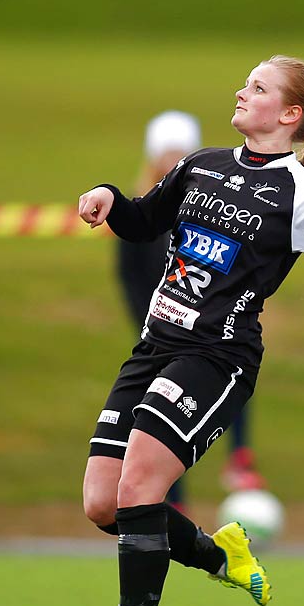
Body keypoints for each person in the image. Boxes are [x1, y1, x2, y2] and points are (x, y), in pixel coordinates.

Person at [76, 55, 304, 606]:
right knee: (103, 504)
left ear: (290, 114)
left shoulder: (303, 193)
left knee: (139, 486)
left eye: (259, 87)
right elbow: (142, 221)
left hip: (217, 356)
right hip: (154, 345)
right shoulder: (201, 165)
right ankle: (222, 559)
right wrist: (110, 197)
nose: (243, 93)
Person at [114, 110, 264, 506]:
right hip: (160, 330)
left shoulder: (209, 204)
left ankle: (239, 457)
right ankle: (172, 497)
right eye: (166, 153)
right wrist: (147, 321)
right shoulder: (142, 209)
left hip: (209, 328)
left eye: (179, 153)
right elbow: (128, 276)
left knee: (222, 376)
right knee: (153, 413)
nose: (171, 161)